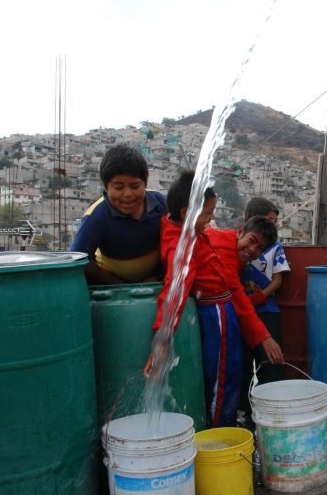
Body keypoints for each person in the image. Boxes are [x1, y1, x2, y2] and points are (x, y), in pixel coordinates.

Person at [145, 170, 284, 427]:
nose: (211, 220)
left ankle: (224, 423)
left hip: (222, 311)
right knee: (223, 377)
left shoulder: (186, 231)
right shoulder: (184, 244)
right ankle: (220, 431)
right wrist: (162, 338)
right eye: (209, 213)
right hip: (217, 313)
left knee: (227, 374)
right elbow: (175, 289)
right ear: (188, 213)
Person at [70, 144, 167, 285]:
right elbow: (77, 259)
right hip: (110, 289)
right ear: (106, 187)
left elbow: (179, 239)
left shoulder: (160, 203)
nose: (127, 194)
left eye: (135, 186)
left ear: (144, 184)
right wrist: (118, 284)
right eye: (118, 187)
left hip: (156, 284)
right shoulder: (96, 216)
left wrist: (157, 276)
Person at [237, 197, 290, 426]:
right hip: (242, 311)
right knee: (241, 364)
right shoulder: (239, 246)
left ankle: (271, 412)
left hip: (267, 311)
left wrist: (261, 296)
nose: (273, 227)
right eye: (269, 221)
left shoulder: (275, 248)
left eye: (275, 222)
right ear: (250, 221)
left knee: (270, 364)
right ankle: (243, 412)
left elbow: (278, 280)